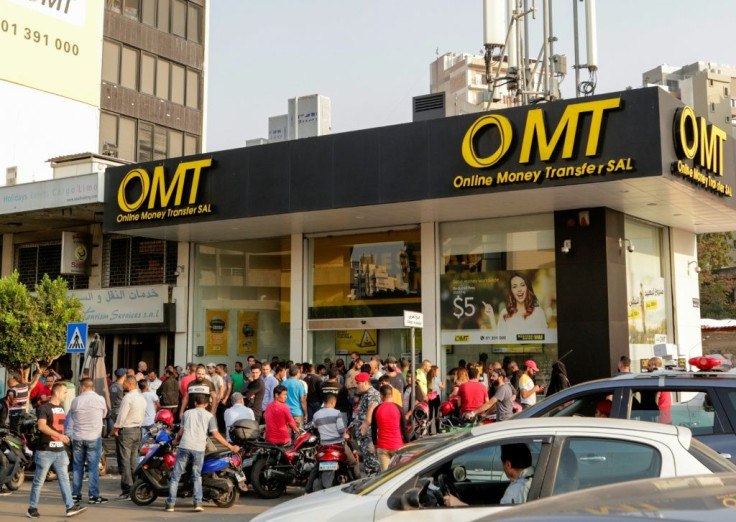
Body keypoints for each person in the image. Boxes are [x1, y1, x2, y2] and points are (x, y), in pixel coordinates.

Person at [164, 393, 239, 512]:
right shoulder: (209, 416)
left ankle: (170, 504)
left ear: (195, 403)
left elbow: (181, 432)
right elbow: (216, 434)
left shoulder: (187, 413)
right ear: (207, 404)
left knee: (175, 476)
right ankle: (198, 503)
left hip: (185, 446)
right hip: (198, 448)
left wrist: (175, 441)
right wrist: (230, 446)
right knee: (196, 476)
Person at [27, 382, 87, 518]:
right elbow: (41, 426)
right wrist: (59, 435)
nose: (66, 395)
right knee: (39, 481)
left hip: (60, 450)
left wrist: (64, 436)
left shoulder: (60, 408)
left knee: (65, 480)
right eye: (65, 392)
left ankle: (70, 507)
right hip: (46, 450)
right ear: (57, 392)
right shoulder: (44, 408)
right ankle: (32, 508)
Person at [444, 443, 534, 506]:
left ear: (508, 465)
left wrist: (459, 505)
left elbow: (495, 519)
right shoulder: (532, 479)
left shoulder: (517, 490)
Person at [68, 377, 108, 504]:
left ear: (82, 387)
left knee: (77, 467)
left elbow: (73, 416)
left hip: (78, 437)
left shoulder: (76, 401)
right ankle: (93, 495)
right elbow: (104, 414)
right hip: (94, 437)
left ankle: (76, 494)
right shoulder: (100, 400)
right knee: (93, 467)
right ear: (92, 387)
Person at [113, 375, 147, 500]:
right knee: (133, 461)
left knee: (125, 461)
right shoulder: (141, 398)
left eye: (124, 383)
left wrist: (116, 428)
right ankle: (135, 487)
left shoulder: (128, 398)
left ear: (129, 384)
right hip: (137, 430)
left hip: (126, 430)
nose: (123, 385)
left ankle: (127, 489)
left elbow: (122, 416)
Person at [496, 273, 548, 339]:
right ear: (511, 291)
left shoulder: (538, 312)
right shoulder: (505, 313)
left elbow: (545, 339)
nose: (519, 289)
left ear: (527, 288)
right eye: (515, 287)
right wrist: (491, 316)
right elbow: (499, 340)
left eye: (522, 285)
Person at [371, 385, 410, 471]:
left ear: (381, 395)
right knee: (398, 473)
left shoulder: (377, 409)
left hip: (382, 446)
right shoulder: (399, 408)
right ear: (391, 395)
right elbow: (404, 429)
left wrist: (375, 444)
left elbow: (373, 429)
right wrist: (408, 442)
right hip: (397, 446)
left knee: (386, 476)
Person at [354, 372, 381, 476]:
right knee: (367, 461)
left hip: (369, 435)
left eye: (358, 383)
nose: (356, 385)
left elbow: (371, 410)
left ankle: (375, 484)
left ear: (365, 383)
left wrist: (364, 426)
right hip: (365, 436)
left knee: (371, 461)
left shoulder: (372, 394)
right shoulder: (365, 394)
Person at [215, 363, 232, 433]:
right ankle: (220, 429)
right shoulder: (217, 377)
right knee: (218, 414)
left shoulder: (227, 377)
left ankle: (225, 429)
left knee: (224, 414)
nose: (216, 369)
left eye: (217, 368)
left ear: (222, 368)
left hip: (224, 399)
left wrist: (226, 398)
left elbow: (229, 388)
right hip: (217, 399)